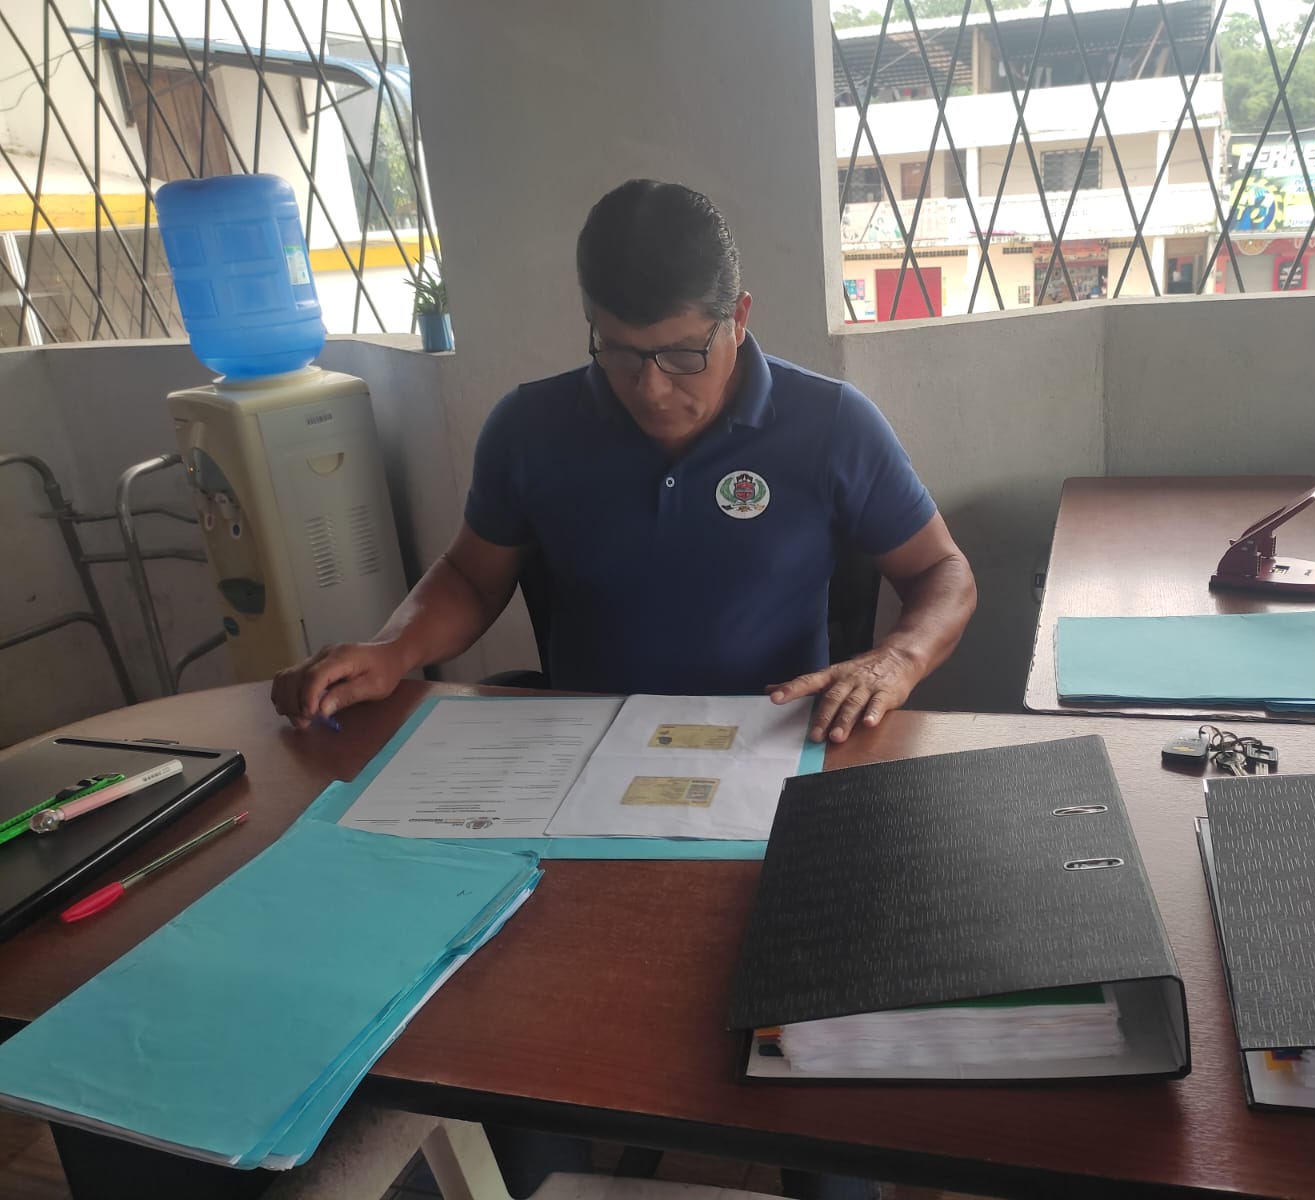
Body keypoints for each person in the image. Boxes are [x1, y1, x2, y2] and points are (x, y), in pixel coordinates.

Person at [270, 179, 976, 1198]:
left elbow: (943, 574)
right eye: (618, 351)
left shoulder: (830, 424)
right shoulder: (531, 426)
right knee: (498, 1019)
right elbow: (472, 574)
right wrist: (393, 651)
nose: (650, 388)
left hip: (773, 782)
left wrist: (894, 661)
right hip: (580, 790)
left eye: (682, 354)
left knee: (814, 1062)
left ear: (738, 317)